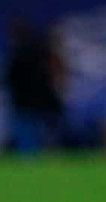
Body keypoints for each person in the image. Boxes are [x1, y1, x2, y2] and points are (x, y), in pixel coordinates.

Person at [5, 17, 67, 153]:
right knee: (37, 129)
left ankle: (29, 156)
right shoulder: (37, 55)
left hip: (24, 101)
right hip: (36, 100)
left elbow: (10, 77)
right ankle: (42, 154)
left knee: (27, 129)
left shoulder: (19, 55)